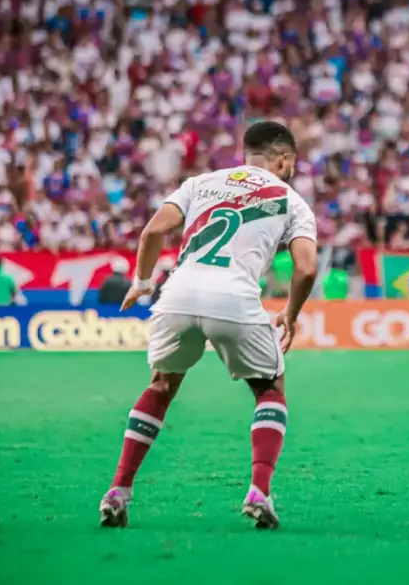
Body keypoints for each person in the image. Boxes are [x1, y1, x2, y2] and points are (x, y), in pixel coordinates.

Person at [99, 122, 318, 530]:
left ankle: (118, 490)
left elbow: (153, 231)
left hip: (177, 295)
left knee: (162, 385)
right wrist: (290, 313)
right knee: (269, 388)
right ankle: (259, 491)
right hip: (233, 298)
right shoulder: (292, 201)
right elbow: (306, 268)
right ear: (284, 159)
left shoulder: (200, 183)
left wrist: (143, 282)